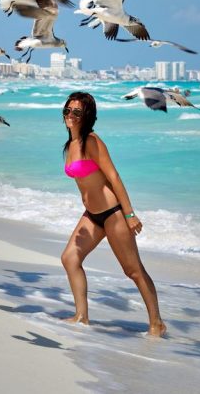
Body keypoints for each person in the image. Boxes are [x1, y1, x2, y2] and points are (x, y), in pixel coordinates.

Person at [59, 91, 166, 337]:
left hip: (112, 213)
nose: (71, 116)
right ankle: (81, 316)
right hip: (91, 215)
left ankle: (157, 323)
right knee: (70, 259)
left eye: (77, 112)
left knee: (133, 270)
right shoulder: (70, 145)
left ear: (87, 116)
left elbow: (114, 177)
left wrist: (129, 214)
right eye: (68, 110)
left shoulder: (92, 142)